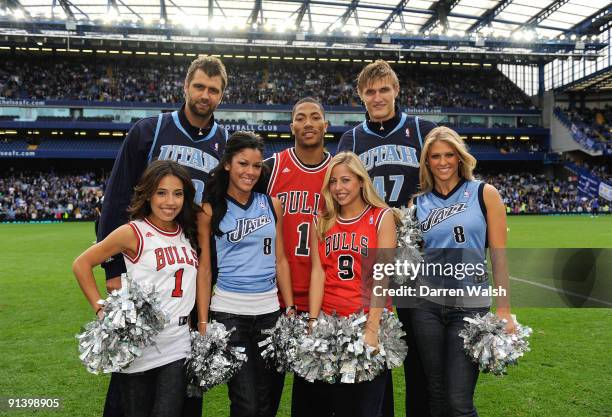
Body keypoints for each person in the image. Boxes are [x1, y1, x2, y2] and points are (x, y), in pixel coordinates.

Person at [96, 55, 229, 417]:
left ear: (221, 96)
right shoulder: (148, 131)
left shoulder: (225, 142)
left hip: (190, 270)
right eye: (199, 86)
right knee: (131, 375)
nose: (205, 95)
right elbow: (116, 202)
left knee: (185, 371)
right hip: (145, 267)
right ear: (186, 87)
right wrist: (113, 273)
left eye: (213, 90)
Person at [337, 59, 436, 417]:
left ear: (396, 90)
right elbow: (341, 193)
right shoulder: (350, 139)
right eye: (370, 92)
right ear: (361, 97)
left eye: (384, 89)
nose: (377, 97)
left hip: (416, 260)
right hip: (371, 257)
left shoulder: (423, 130)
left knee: (419, 354)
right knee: (373, 347)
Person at [73, 160, 202, 417]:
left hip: (178, 342)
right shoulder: (134, 232)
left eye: (178, 194)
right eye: (161, 192)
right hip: (140, 343)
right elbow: (81, 264)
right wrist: (103, 313)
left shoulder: (188, 232)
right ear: (148, 194)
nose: (170, 201)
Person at [409, 126, 514, 417]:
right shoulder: (417, 204)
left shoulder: (484, 193)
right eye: (435, 156)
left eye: (449, 155)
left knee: (459, 402)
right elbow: (411, 258)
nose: (443, 162)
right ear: (426, 162)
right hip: (427, 307)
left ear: (460, 158)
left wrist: (503, 308)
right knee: (437, 395)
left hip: (470, 307)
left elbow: (499, 255)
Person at [195, 131, 295, 417]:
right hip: (229, 313)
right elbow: (204, 269)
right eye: (243, 164)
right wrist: (203, 322)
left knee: (266, 401)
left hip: (270, 313)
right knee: (246, 403)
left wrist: (288, 308)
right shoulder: (209, 209)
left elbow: (281, 261)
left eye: (255, 165)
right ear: (227, 164)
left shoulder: (272, 204)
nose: (250, 172)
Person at [308, 151, 399, 417]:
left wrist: (371, 328)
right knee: (340, 406)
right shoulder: (323, 220)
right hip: (332, 325)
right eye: (333, 182)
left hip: (369, 321)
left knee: (369, 408)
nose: (338, 188)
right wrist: (314, 321)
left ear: (361, 181)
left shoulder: (382, 217)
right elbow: (318, 272)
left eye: (345, 180)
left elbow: (383, 275)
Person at [264, 97, 331, 417]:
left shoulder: (341, 172)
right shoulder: (271, 168)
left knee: (314, 402)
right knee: (263, 397)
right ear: (291, 126)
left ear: (325, 126)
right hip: (276, 300)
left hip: (324, 301)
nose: (307, 123)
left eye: (314, 117)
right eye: (300, 118)